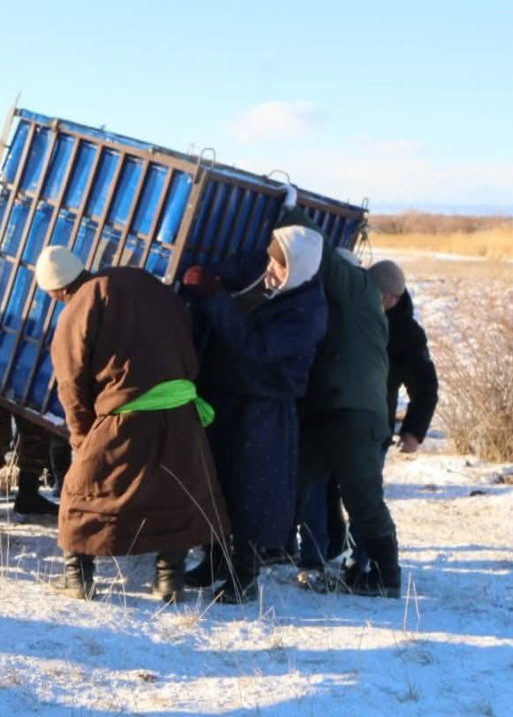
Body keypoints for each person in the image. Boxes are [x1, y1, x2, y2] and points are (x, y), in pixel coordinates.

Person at [36, 244, 229, 603]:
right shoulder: (143, 281)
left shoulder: (78, 308)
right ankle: (170, 580)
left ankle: (77, 577)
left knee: (81, 492)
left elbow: (71, 383)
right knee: (176, 491)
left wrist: (82, 436)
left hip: (125, 414)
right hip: (181, 410)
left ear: (55, 290)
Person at [181, 227, 327, 603]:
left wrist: (214, 297)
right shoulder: (262, 268)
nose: (271, 270)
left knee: (253, 490)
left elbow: (256, 347)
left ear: (299, 269)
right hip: (225, 393)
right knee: (215, 479)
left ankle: (244, 576)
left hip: (266, 405)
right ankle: (214, 560)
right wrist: (205, 277)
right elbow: (229, 270)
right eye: (271, 261)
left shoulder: (309, 311)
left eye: (281, 266)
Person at [282, 202, 402, 597]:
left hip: (353, 415)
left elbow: (325, 256)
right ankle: (272, 548)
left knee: (362, 496)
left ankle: (387, 576)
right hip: (335, 412)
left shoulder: (358, 289)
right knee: (293, 478)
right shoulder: (358, 311)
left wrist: (292, 211)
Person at [368, 260, 439, 454]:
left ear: (392, 299)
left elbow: (425, 385)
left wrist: (413, 431)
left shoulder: (406, 335)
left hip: (374, 431)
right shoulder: (349, 316)